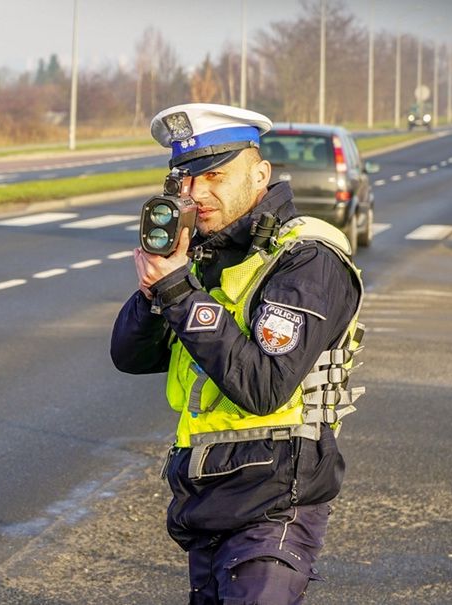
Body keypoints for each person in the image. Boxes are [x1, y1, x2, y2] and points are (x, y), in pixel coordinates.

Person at [110, 103, 365, 604]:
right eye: (184, 180)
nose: (197, 194)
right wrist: (155, 290)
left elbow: (264, 386)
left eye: (215, 176)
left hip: (274, 500)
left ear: (260, 175)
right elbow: (129, 355)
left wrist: (181, 294)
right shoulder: (202, 257)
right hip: (206, 501)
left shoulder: (306, 259)